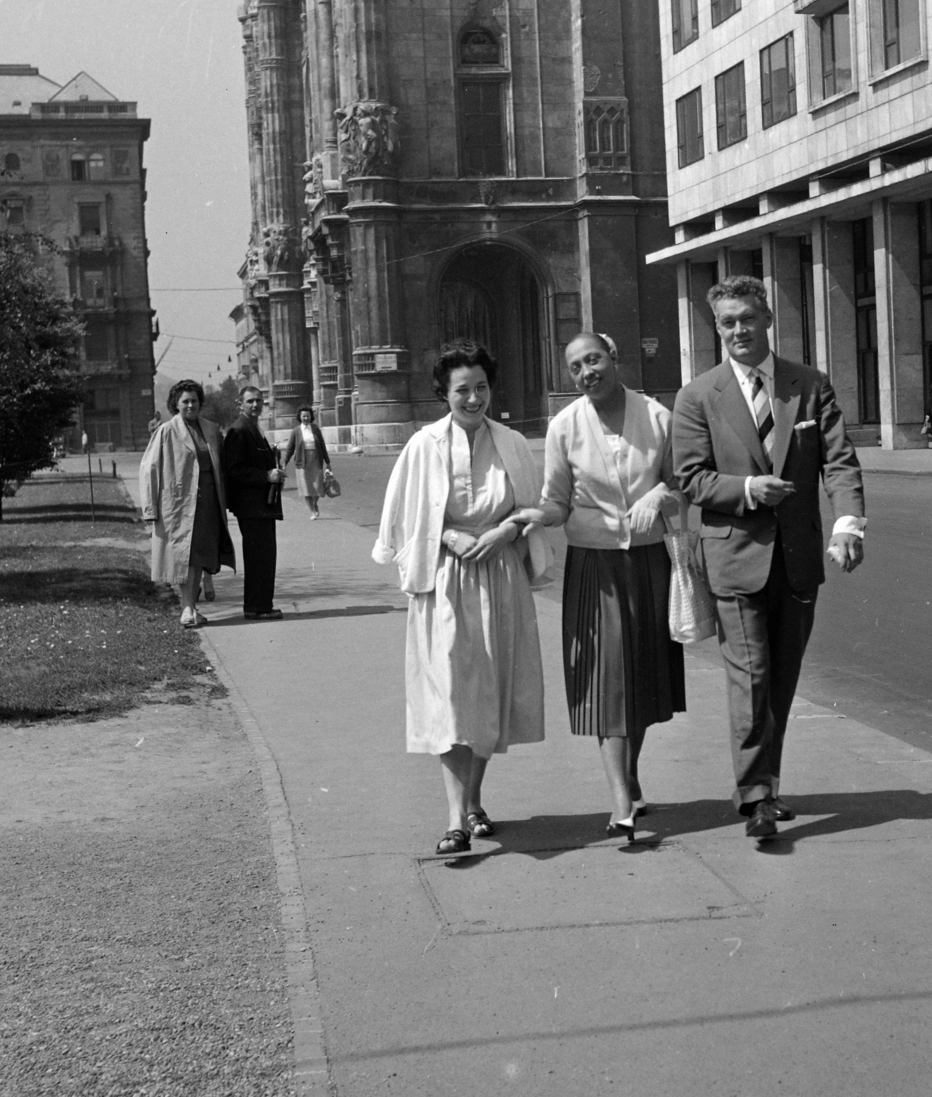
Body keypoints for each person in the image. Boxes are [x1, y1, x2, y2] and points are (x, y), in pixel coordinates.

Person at [672, 275, 866, 842]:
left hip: (799, 558)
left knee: (780, 679)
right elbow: (690, 478)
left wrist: (849, 522)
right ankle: (756, 796)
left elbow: (840, 460)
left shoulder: (808, 385)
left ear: (767, 320)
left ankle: (767, 783)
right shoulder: (697, 396)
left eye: (747, 319)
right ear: (717, 328)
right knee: (751, 674)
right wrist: (749, 490)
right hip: (734, 558)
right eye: (727, 322)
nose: (738, 330)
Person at [373, 340, 551, 856]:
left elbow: (532, 507)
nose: (473, 399)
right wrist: (449, 536)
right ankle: (454, 819)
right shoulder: (423, 445)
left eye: (480, 388)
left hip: (499, 577)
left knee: (489, 690)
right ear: (443, 394)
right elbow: (406, 516)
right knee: (451, 692)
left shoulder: (512, 443)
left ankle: (474, 801)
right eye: (461, 390)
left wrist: (505, 532)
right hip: (444, 581)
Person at [524, 332, 685, 843]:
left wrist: (658, 495)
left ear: (614, 359)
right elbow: (557, 501)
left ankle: (630, 776)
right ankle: (620, 798)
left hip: (647, 561)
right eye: (574, 367)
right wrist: (535, 518)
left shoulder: (657, 417)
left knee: (636, 674)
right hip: (595, 566)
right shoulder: (564, 426)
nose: (585, 372)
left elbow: (683, 483)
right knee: (605, 676)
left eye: (592, 359)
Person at [138, 379, 235, 628]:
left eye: (194, 400)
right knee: (184, 558)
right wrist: (150, 508)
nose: (191, 405)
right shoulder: (166, 431)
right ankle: (187, 607)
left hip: (207, 504)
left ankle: (192, 607)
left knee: (200, 557)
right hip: (179, 504)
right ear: (176, 405)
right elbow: (150, 469)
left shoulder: (211, 430)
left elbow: (222, 468)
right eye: (185, 401)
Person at [223, 384, 285, 621]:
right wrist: (265, 476)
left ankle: (261, 605)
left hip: (261, 506)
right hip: (251, 507)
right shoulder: (238, 431)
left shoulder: (254, 428)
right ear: (240, 404)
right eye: (250, 401)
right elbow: (234, 470)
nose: (256, 405)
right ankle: (257, 607)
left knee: (265, 557)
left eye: (259, 400)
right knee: (259, 557)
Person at [283, 406, 331, 519]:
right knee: (306, 488)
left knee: (318, 486)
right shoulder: (296, 431)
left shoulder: (315, 429)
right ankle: (312, 511)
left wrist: (327, 461)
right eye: (303, 416)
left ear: (311, 417)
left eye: (308, 416)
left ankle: (315, 503)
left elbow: (322, 446)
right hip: (302, 462)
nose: (306, 418)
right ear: (300, 417)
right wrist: (285, 461)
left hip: (315, 459)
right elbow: (290, 448)